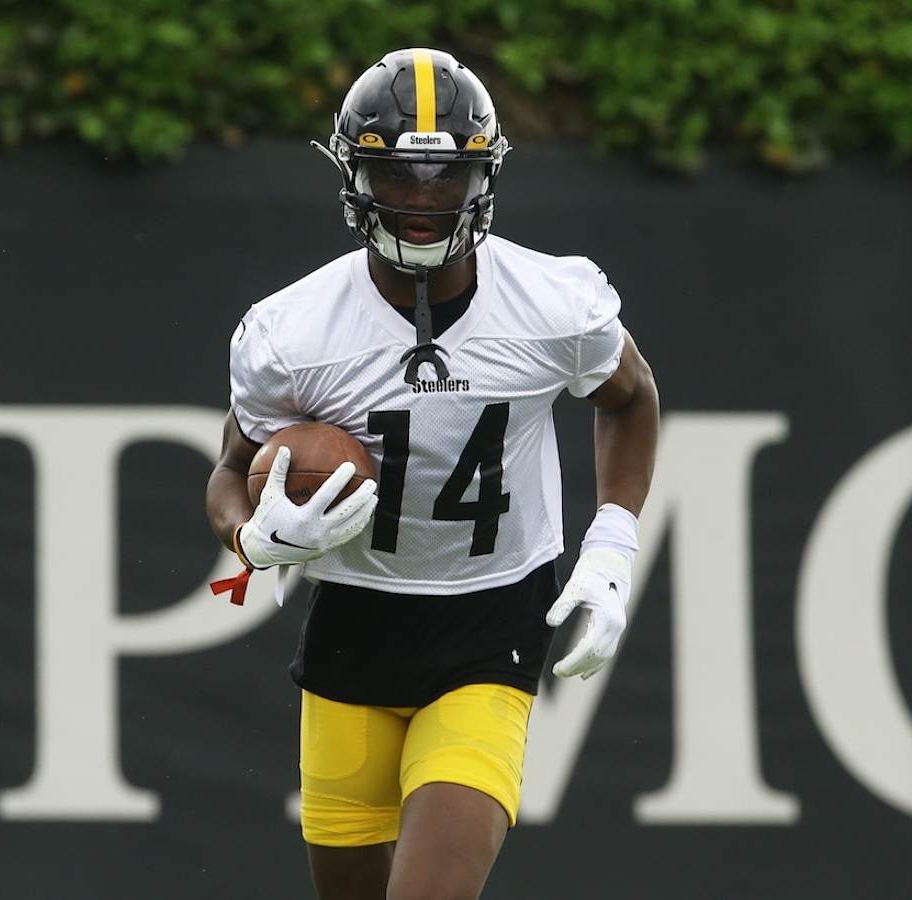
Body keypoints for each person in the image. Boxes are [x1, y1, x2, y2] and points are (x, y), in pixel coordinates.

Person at [206, 47, 659, 900]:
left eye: (443, 178)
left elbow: (630, 399)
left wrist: (612, 545)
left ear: (483, 177)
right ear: (352, 176)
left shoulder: (551, 305)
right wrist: (253, 534)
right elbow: (230, 471)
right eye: (396, 176)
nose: (419, 203)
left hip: (491, 623)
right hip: (354, 620)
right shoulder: (293, 333)